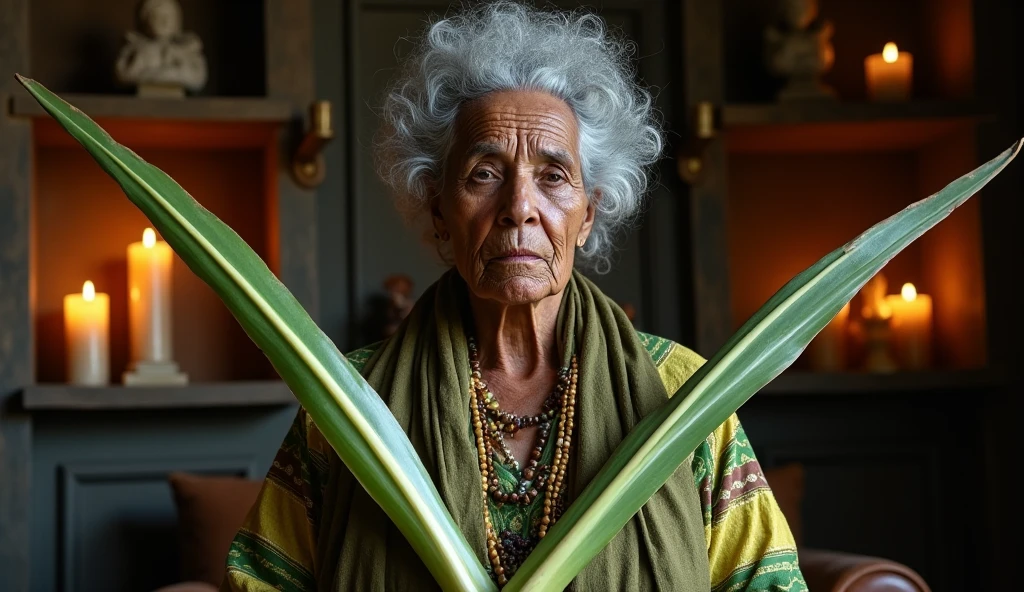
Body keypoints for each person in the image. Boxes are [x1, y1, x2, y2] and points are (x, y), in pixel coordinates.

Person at [223, 2, 806, 590]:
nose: (519, 207)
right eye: (484, 173)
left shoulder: (683, 396)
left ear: (588, 214)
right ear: (440, 212)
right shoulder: (348, 404)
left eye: (553, 176)